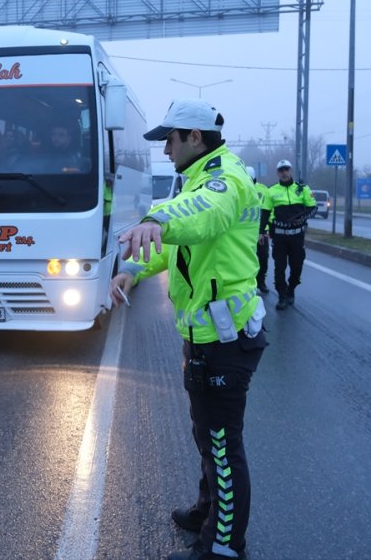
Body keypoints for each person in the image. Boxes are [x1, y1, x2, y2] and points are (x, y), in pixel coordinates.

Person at [110, 99, 267, 560]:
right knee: (207, 433)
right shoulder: (199, 177)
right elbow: (179, 248)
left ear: (194, 137)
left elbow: (204, 214)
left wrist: (159, 217)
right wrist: (135, 271)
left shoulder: (226, 178)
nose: (165, 151)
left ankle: (223, 546)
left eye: (170, 140)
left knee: (221, 443)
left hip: (226, 339)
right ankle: (208, 511)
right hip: (207, 337)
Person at [263, 159, 317, 310]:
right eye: (281, 170)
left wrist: (301, 218)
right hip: (279, 237)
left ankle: (291, 289)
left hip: (297, 237)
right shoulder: (271, 191)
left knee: (296, 267)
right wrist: (262, 231)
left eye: (287, 169)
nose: (284, 173)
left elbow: (313, 208)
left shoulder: (302, 189)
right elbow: (265, 213)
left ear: (291, 171)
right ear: (277, 173)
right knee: (279, 267)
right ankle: (281, 296)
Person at [247, 166, 270, 294]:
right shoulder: (239, 187)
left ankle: (261, 282)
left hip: (261, 232)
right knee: (244, 259)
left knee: (263, 258)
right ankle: (248, 284)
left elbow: (267, 210)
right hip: (244, 232)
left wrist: (264, 231)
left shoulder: (263, 190)